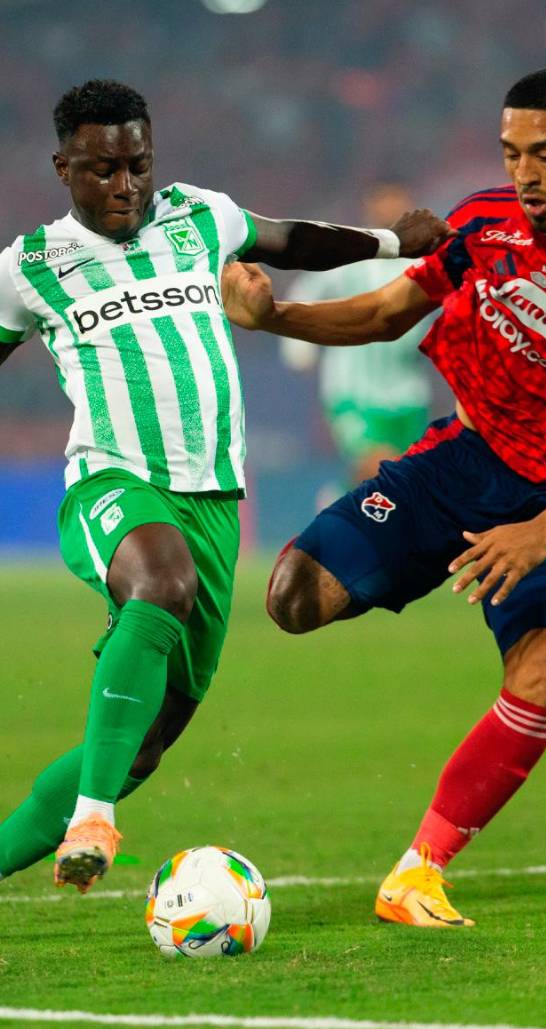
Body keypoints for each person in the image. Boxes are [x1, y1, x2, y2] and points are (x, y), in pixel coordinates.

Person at [223, 68, 546, 927]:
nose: (525, 173)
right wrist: (274, 318)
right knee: (291, 598)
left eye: (545, 155)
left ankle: (419, 872)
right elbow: (383, 314)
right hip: (460, 462)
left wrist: (545, 528)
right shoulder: (485, 223)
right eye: (512, 152)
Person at [0, 79, 450, 893]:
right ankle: (92, 817)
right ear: (64, 166)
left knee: (146, 740)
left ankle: (48, 827)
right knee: (159, 580)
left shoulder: (198, 215)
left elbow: (290, 240)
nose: (125, 185)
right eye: (103, 170)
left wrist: (393, 243)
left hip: (213, 501)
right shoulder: (29, 268)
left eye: (137, 164)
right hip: (112, 480)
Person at [280, 180, 435, 491]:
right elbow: (308, 290)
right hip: (353, 390)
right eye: (382, 199)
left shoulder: (426, 261)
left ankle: (340, 504)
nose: (389, 206)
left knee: (404, 476)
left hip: (408, 392)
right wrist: (299, 349)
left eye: (396, 199)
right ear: (369, 205)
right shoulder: (353, 252)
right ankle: (339, 514)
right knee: (375, 464)